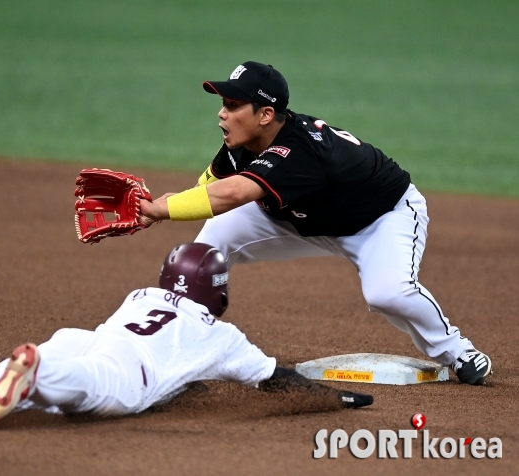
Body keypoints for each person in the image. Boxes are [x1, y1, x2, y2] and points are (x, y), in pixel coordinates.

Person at [139, 61, 492, 385]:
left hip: (380, 219)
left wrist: (163, 211)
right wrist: (157, 206)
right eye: (223, 104)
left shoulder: (299, 151)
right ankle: (179, 345)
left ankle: (459, 352)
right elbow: (210, 187)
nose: (221, 114)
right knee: (205, 249)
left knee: (389, 293)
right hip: (299, 219)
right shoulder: (241, 143)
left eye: (232, 106)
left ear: (265, 114)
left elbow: (228, 196)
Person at [0, 243, 372, 428]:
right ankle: (35, 371)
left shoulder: (141, 296)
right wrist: (337, 398)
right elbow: (275, 380)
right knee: (84, 389)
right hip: (120, 367)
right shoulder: (224, 336)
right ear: (215, 289)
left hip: (81, 338)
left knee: (4, 384)